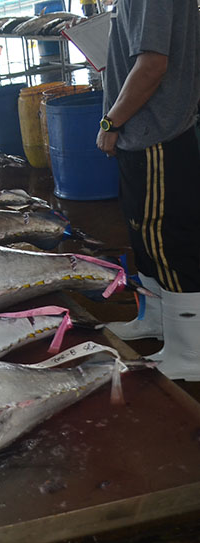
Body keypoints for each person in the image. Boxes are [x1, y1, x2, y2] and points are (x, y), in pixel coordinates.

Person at [98, 0, 200, 381]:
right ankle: (158, 323)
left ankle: (190, 351)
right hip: (144, 135)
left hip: (156, 134)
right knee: (146, 240)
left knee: (168, 241)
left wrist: (111, 122)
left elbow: (153, 64)